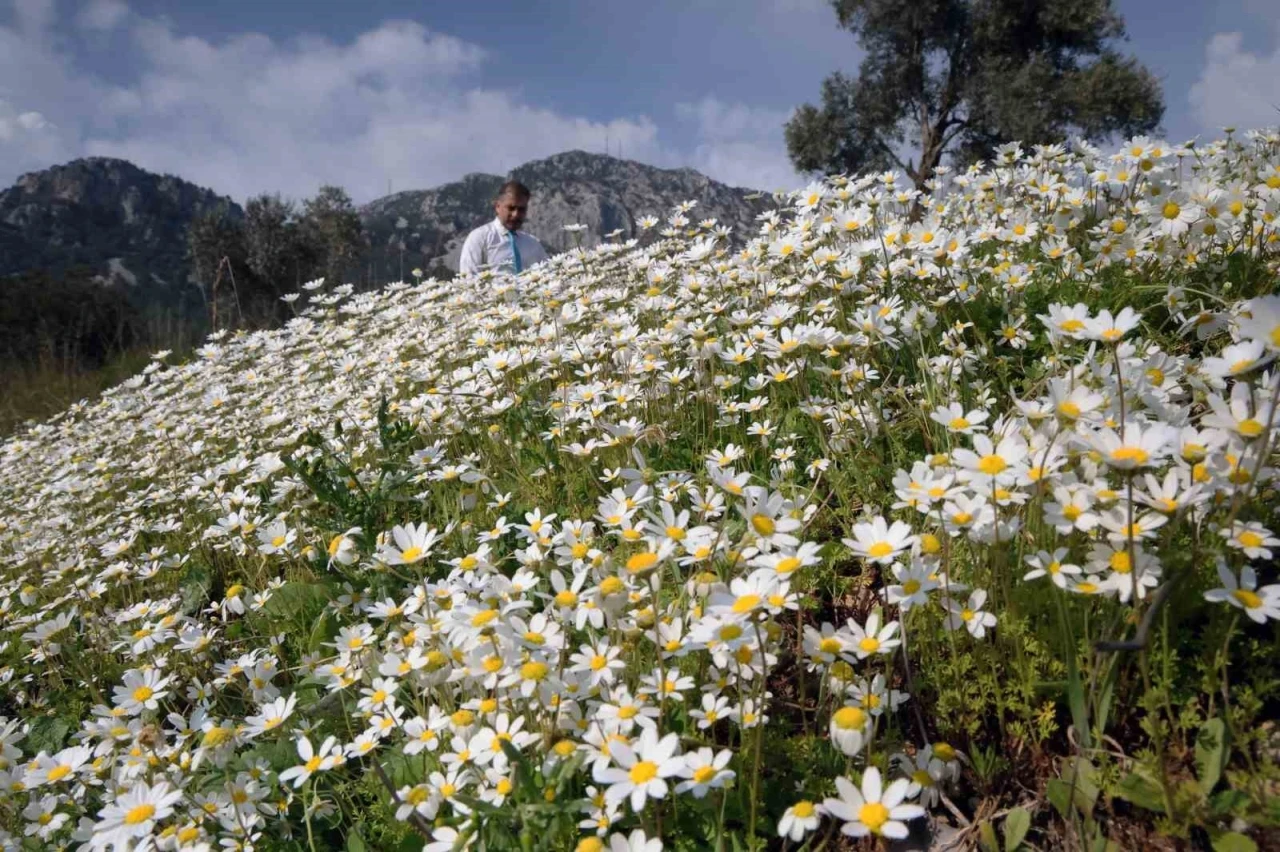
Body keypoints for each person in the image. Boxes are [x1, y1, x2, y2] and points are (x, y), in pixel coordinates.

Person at [458, 180, 549, 276]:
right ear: (497, 206)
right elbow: (468, 278)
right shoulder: (479, 238)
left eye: (521, 209)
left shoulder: (532, 244)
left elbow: (548, 273)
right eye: (511, 208)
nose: (516, 214)